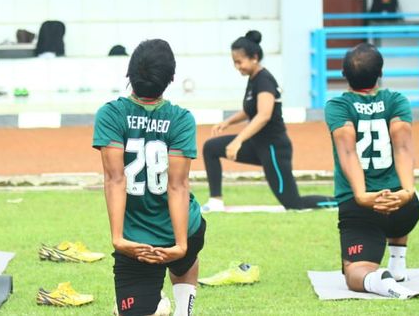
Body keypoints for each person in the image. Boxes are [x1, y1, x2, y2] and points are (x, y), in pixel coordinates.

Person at [93, 39, 205, 316]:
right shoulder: (181, 119)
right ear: (171, 78)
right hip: (184, 228)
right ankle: (182, 309)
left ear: (129, 75)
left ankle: (175, 307)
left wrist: (118, 239)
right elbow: (177, 185)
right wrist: (180, 244)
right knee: (184, 259)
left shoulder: (111, 114)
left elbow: (115, 179)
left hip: (135, 241)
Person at [325, 43, 419, 299]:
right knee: (401, 205)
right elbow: (403, 148)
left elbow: (348, 152)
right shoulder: (397, 100)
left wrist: (362, 194)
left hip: (361, 208)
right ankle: (398, 263)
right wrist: (408, 192)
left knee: (356, 271)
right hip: (402, 207)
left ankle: (380, 280)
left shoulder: (337, 105)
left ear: (344, 75)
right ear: (380, 73)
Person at [202, 30, 332, 211]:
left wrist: (237, 141)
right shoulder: (253, 79)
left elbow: (264, 115)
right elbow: (250, 109)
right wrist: (227, 123)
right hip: (257, 146)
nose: (237, 66)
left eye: (239, 62)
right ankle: (215, 201)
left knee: (294, 204)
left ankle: (342, 203)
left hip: (274, 149)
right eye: (234, 62)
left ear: (254, 57)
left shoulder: (264, 80)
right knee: (211, 147)